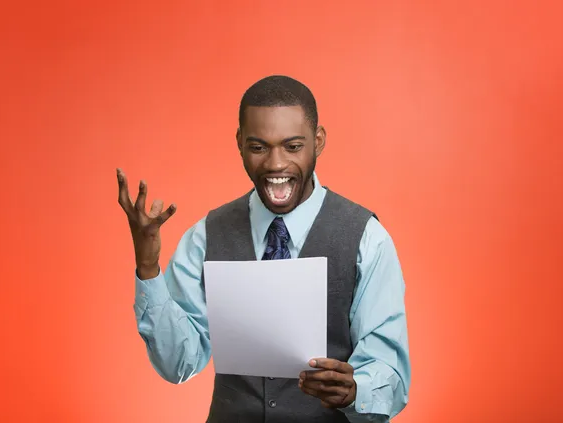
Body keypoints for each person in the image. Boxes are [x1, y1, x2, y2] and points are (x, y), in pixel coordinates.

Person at [116, 75, 411, 422]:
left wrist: (356, 390)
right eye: (258, 147)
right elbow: (178, 363)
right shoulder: (205, 237)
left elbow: (389, 373)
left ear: (317, 142)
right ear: (240, 143)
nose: (275, 164)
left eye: (292, 146)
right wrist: (148, 267)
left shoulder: (367, 240)